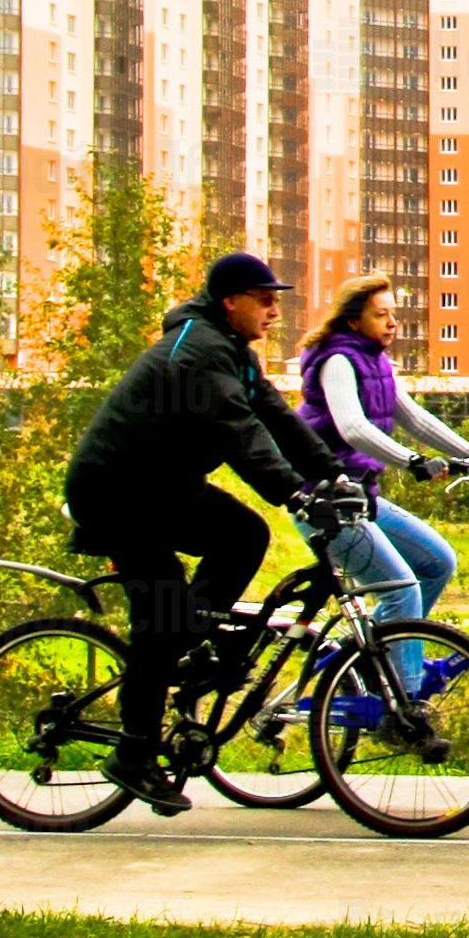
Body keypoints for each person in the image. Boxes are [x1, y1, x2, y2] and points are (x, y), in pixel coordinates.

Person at [64, 250, 344, 815]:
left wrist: (333, 474)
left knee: (243, 535)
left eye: (276, 300)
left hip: (158, 485)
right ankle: (135, 751)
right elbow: (239, 430)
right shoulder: (199, 351)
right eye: (264, 299)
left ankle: (192, 646)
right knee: (164, 610)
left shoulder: (232, 351)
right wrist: (292, 491)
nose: (273, 310)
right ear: (230, 303)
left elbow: (277, 418)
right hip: (114, 490)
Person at [294, 274, 469, 677]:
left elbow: (413, 417)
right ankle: (405, 698)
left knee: (437, 563)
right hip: (325, 502)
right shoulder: (338, 361)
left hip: (360, 497)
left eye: (394, 314)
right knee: (402, 590)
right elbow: (353, 428)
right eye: (381, 315)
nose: (392, 322)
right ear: (352, 321)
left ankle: (365, 666)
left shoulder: (374, 360)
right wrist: (413, 461)